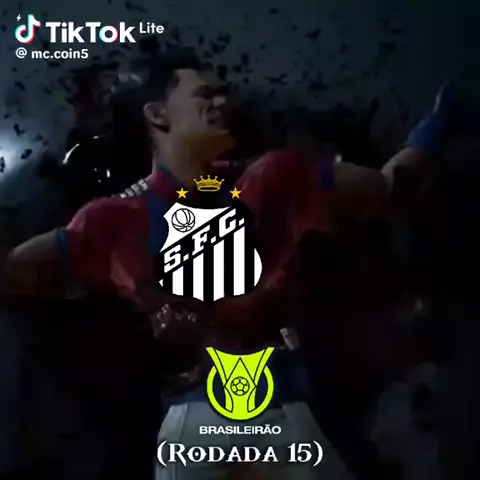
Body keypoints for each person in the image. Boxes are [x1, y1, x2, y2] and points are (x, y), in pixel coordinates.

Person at [0, 49, 456, 479]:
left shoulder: (277, 178)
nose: (222, 101)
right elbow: (14, 275)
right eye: (204, 94)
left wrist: (439, 123)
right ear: (158, 115)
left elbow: (388, 190)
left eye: (223, 92)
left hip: (288, 407)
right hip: (193, 422)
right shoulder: (112, 222)